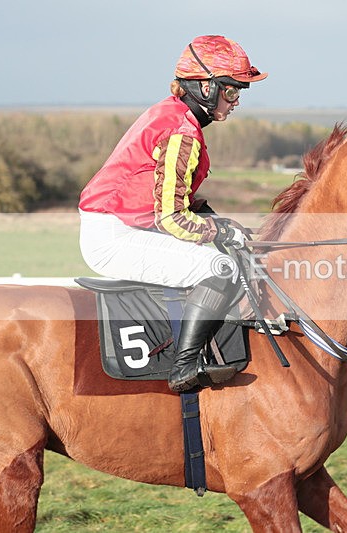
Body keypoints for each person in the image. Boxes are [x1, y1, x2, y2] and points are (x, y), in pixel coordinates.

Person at [78, 35, 267, 392]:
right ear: (206, 87)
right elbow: (172, 219)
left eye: (239, 92)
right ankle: (185, 366)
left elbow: (172, 198)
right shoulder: (182, 132)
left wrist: (218, 221)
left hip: (124, 226)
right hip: (117, 235)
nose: (236, 101)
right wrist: (222, 233)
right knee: (221, 268)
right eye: (231, 91)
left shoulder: (173, 114)